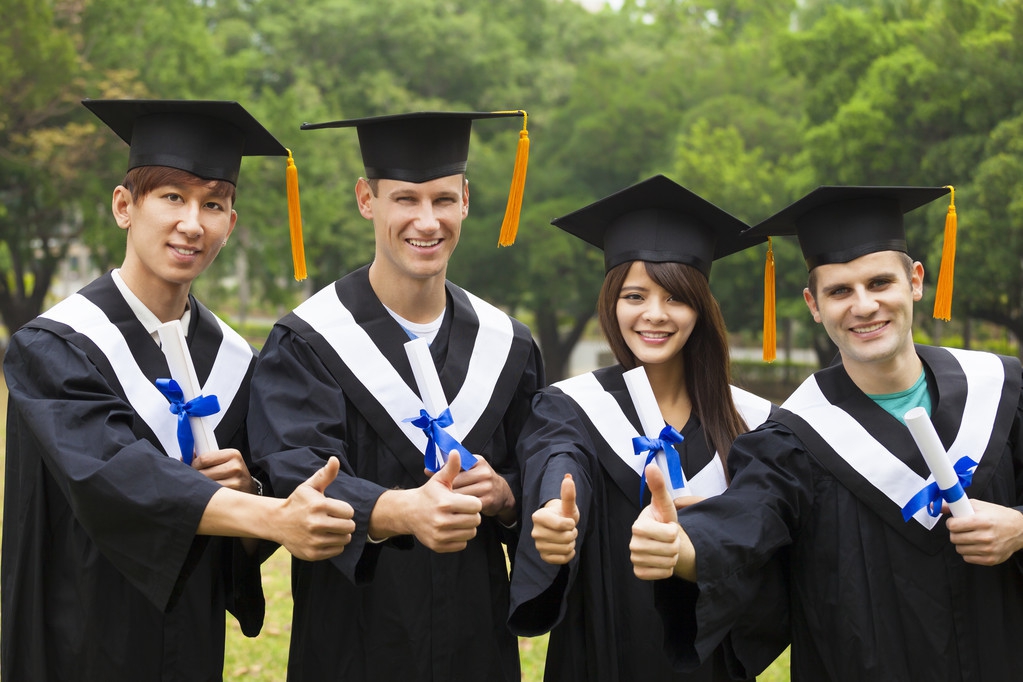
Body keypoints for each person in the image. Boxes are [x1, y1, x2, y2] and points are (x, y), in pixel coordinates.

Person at [1, 99, 357, 682]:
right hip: (74, 636)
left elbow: (235, 553)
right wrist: (266, 516)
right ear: (125, 207)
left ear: (231, 224)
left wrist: (247, 491)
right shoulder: (55, 348)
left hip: (188, 645)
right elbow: (113, 475)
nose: (193, 223)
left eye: (213, 203)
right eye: (172, 197)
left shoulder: (235, 361)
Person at [630, 185, 1023, 681]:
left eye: (880, 283)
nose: (863, 306)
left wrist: (1019, 527)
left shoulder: (1002, 389)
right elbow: (745, 521)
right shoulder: (794, 439)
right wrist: (681, 550)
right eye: (839, 291)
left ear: (916, 281)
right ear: (814, 305)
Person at [248, 110, 544, 681]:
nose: (427, 220)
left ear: (466, 200)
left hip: (475, 644)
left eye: (442, 199)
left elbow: (540, 468)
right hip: (351, 642)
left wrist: (507, 495)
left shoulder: (508, 345)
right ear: (367, 199)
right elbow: (294, 472)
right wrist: (400, 510)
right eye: (405, 199)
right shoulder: (308, 342)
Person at [506, 174, 783, 681]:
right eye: (635, 296)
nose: (654, 315)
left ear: (700, 308)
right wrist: (552, 510)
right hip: (599, 661)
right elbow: (557, 457)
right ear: (612, 302)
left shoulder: (753, 426)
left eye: (675, 297)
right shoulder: (570, 408)